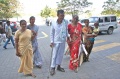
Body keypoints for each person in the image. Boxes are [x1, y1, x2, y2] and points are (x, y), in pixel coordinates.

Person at [50, 9, 68, 76]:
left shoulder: (65, 21)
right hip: (56, 41)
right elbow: (52, 32)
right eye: (61, 16)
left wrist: (68, 37)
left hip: (62, 41)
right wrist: (51, 41)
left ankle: (59, 66)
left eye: (63, 15)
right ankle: (52, 67)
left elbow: (66, 30)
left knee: (60, 55)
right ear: (57, 15)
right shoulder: (54, 22)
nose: (62, 17)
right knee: (54, 55)